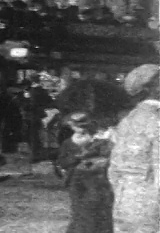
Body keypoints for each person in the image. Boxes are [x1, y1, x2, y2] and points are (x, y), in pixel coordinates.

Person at [109, 64, 160, 233]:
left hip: (125, 198)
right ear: (152, 88)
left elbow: (113, 170)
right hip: (152, 201)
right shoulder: (157, 120)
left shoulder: (127, 120)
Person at [58, 112, 114, 233]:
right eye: (77, 126)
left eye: (84, 126)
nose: (80, 129)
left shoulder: (100, 140)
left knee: (98, 209)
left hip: (97, 180)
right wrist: (76, 158)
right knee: (79, 210)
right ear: (71, 127)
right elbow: (62, 162)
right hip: (76, 180)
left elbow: (108, 157)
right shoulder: (68, 143)